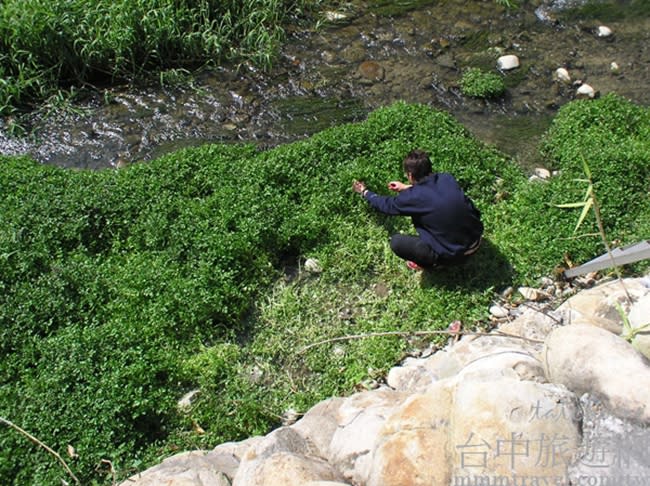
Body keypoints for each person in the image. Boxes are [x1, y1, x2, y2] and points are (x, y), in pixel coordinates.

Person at [352, 149, 483, 271]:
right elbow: (431, 192)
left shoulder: (413, 198)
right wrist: (407, 188)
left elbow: (386, 205)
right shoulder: (446, 178)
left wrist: (365, 192)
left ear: (410, 175)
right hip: (476, 241)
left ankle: (435, 264)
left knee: (397, 242)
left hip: (457, 255)